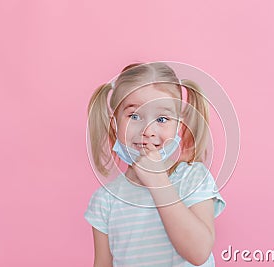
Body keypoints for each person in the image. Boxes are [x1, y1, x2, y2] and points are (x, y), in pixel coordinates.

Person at [84, 62, 225, 266]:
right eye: (134, 116)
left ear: (178, 124)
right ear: (114, 123)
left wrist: (158, 181)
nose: (147, 130)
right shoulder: (106, 201)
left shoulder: (193, 178)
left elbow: (199, 252)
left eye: (161, 119)